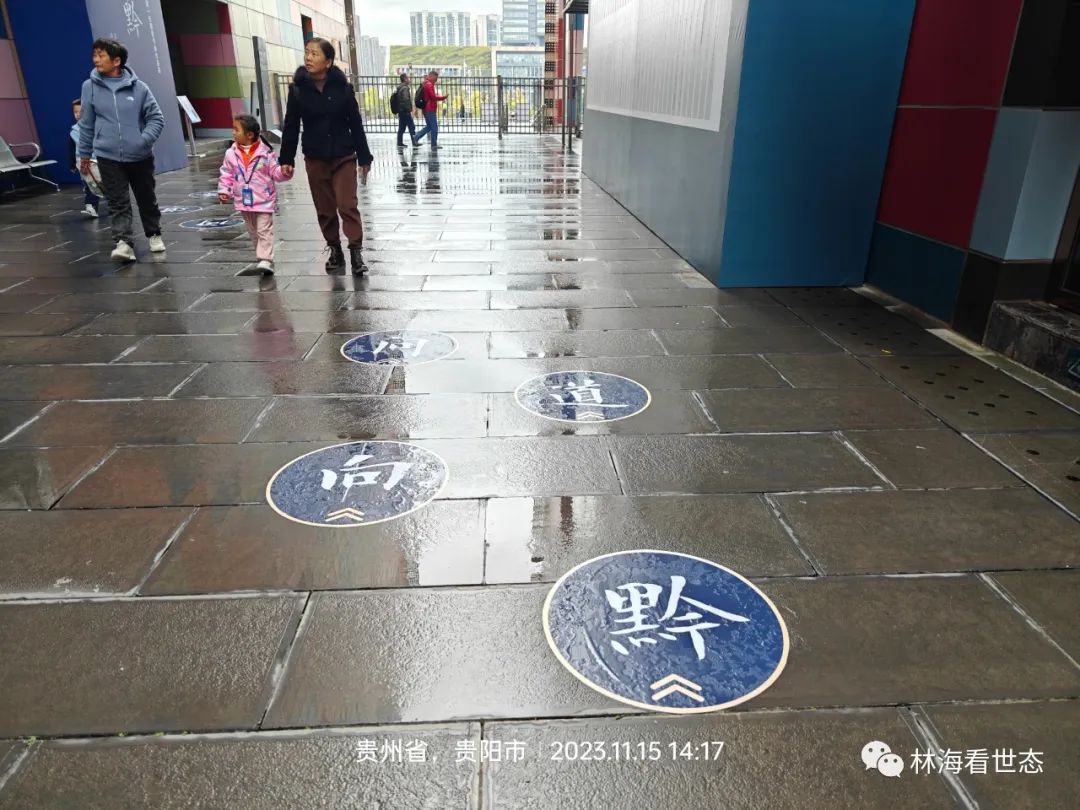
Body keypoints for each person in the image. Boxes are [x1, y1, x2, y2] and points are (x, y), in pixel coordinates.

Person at [279, 38, 373, 275]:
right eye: (307, 53)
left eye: (314, 54)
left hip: (344, 154)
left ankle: (356, 251)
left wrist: (364, 157)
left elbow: (355, 123)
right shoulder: (298, 89)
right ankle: (335, 249)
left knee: (347, 204)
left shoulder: (343, 88)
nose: (308, 58)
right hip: (316, 156)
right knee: (325, 208)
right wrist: (286, 159)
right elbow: (291, 125)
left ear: (328, 61)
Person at [77, 38, 166, 263]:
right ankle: (123, 243)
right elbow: (86, 123)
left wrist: (143, 141)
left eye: (101, 55)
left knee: (146, 198)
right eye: (94, 55)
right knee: (117, 201)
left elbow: (156, 118)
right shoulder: (89, 87)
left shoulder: (139, 88)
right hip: (107, 155)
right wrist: (84, 154)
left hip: (140, 156)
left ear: (116, 61)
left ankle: (154, 234)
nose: (96, 60)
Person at [217, 115, 290, 276]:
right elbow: (226, 173)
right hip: (244, 201)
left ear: (249, 134)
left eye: (236, 129)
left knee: (264, 230)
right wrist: (224, 190)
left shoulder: (266, 153)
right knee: (253, 231)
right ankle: (262, 257)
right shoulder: (231, 153)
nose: (233, 133)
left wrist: (285, 172)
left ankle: (266, 259)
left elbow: (275, 172)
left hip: (264, 200)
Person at [69, 99, 100, 218]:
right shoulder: (73, 131)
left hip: (96, 161)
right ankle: (91, 206)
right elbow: (71, 148)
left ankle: (93, 206)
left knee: (97, 184)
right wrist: (72, 164)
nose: (77, 114)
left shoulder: (95, 127)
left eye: (80, 112)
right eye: (75, 112)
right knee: (90, 184)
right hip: (82, 162)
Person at [414, 70, 448, 149]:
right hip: (430, 109)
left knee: (429, 126)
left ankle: (416, 137)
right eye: (435, 78)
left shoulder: (425, 83)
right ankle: (434, 145)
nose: (436, 80)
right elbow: (433, 97)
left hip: (426, 108)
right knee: (434, 127)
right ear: (431, 76)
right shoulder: (429, 85)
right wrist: (443, 97)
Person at [394, 73, 418, 148]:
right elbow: (406, 100)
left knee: (401, 128)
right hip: (405, 111)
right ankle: (414, 142)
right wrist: (410, 110)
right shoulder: (405, 88)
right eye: (408, 78)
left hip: (401, 110)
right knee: (411, 127)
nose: (409, 79)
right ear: (404, 79)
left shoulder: (400, 87)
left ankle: (399, 142)